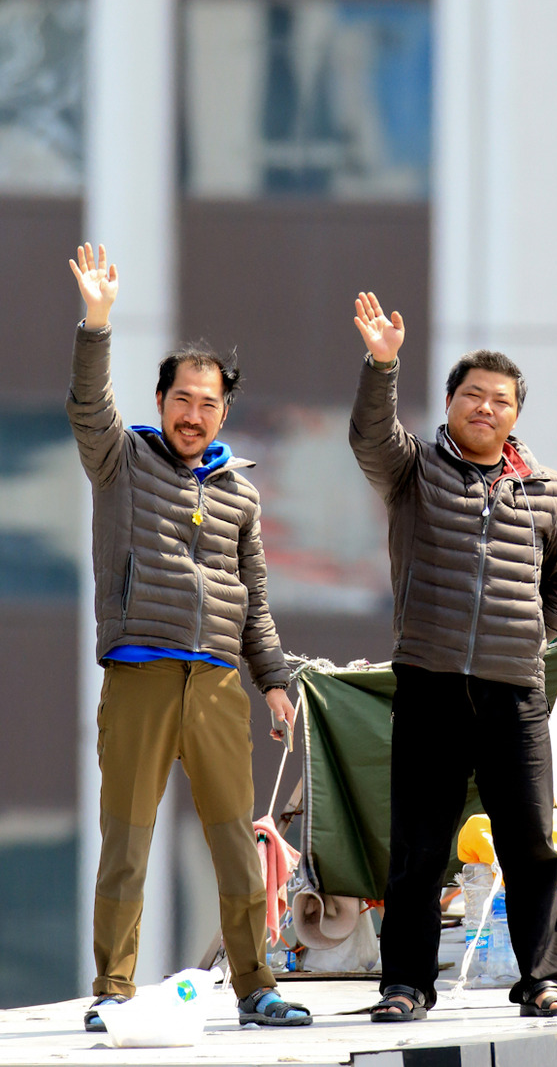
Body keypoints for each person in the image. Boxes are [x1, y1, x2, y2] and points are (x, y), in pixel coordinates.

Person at [67, 243, 312, 1032]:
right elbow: (85, 406)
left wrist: (272, 680)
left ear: (223, 413)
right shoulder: (122, 461)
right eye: (182, 398)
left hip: (215, 685)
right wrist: (96, 322)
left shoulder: (239, 490)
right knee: (127, 840)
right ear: (162, 398)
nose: (192, 413)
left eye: (208, 403)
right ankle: (113, 989)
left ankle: (256, 988)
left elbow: (256, 601)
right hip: (140, 672)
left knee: (238, 847)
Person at [350, 291, 557, 1021]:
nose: (486, 408)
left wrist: (524, 634)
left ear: (517, 415)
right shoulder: (414, 471)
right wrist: (381, 365)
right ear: (451, 402)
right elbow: (368, 436)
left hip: (513, 693)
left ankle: (542, 980)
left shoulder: (547, 491)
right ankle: (405, 987)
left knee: (531, 847)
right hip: (428, 685)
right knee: (419, 850)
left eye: (501, 400)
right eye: (473, 395)